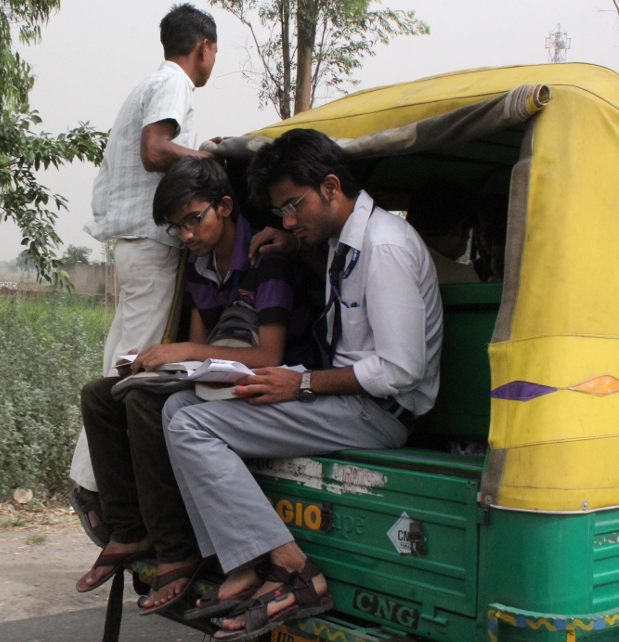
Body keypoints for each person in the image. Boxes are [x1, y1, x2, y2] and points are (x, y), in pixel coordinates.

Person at [161, 128, 443, 641]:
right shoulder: (344, 243)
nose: (288, 219)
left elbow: (401, 372)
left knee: (192, 427)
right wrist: (295, 246)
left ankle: (294, 569)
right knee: (176, 409)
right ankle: (244, 563)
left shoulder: (387, 248)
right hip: (346, 398)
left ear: (331, 186)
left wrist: (302, 385)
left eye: (293, 207)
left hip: (378, 413)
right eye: (281, 212)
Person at [76, 157, 313, 614]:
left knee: (146, 404)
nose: (186, 235)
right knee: (101, 396)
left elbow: (268, 356)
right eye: (177, 226)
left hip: (270, 383)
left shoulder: (267, 259)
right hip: (218, 376)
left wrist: (184, 353)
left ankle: (177, 546)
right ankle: (129, 530)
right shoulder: (200, 265)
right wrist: (165, 364)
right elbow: (200, 348)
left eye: (193, 219)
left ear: (224, 206)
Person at [69, 4, 218, 511]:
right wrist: (204, 157)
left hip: (133, 241)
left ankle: (93, 482)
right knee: (136, 366)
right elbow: (156, 150)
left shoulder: (146, 85)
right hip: (151, 244)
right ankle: (99, 488)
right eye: (213, 52)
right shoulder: (174, 84)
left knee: (122, 355)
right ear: (203, 48)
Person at [406, 184, 479, 284]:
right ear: (458, 228)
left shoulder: (391, 261)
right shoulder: (463, 277)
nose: (469, 236)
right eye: (468, 231)